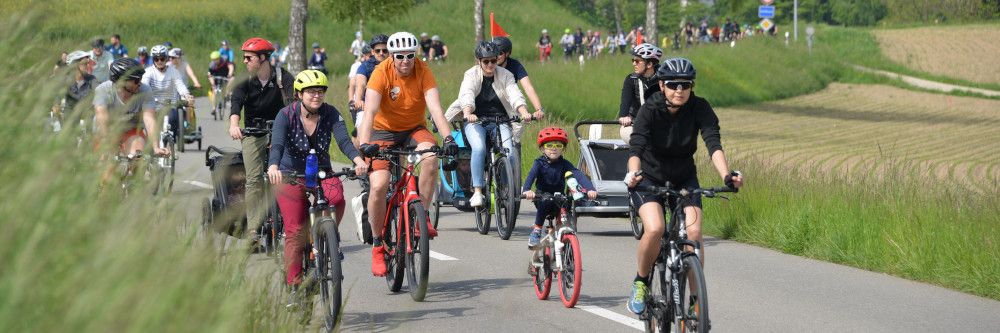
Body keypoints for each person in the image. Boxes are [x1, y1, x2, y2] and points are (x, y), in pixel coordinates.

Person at [624, 58, 744, 314]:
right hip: (650, 178)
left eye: (686, 85)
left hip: (684, 179)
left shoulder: (699, 107)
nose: (680, 90)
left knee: (694, 234)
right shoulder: (650, 109)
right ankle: (641, 281)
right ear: (662, 85)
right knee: (656, 228)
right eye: (673, 84)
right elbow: (636, 147)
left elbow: (713, 143)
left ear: (692, 87)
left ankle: (695, 299)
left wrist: (726, 176)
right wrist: (633, 173)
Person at [357, 31, 457, 277]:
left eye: (410, 56)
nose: (405, 60)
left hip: (414, 128)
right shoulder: (381, 72)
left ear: (416, 55)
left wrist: (449, 138)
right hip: (382, 132)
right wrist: (364, 145)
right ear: (391, 56)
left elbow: (435, 108)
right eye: (400, 56)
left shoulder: (423, 70)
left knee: (431, 159)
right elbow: (369, 113)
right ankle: (378, 245)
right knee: (379, 185)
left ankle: (420, 216)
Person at [266, 69, 367, 302]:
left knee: (337, 198)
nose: (316, 96)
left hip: (322, 172)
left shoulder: (330, 113)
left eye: (320, 91)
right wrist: (273, 167)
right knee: (294, 231)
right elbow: (278, 144)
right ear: (299, 94)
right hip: (290, 175)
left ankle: (327, 236)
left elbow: (343, 140)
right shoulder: (285, 115)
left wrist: (358, 159)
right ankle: (294, 286)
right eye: (311, 91)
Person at [444, 41, 534, 207]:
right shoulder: (471, 74)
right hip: (476, 120)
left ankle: (507, 188)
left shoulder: (505, 74)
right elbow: (467, 94)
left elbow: (515, 94)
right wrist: (467, 113)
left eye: (493, 60)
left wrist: (523, 113)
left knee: (510, 153)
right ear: (478, 61)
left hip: (500, 120)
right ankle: (477, 191)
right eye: (486, 61)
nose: (490, 64)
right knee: (479, 148)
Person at [229, 37, 295, 239]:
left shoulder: (283, 78)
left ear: (263, 58)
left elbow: (294, 105)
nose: (245, 61)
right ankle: (253, 229)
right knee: (254, 179)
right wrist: (234, 125)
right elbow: (236, 103)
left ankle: (292, 222)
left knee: (291, 176)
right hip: (253, 131)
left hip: (281, 130)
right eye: (244, 57)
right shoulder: (244, 80)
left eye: (249, 58)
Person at [521, 127, 597, 247]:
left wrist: (590, 189)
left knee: (566, 210)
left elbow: (579, 175)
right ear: (542, 148)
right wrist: (527, 190)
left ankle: (565, 242)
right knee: (546, 201)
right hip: (542, 198)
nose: (554, 148)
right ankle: (536, 230)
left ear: (563, 149)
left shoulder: (565, 164)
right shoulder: (538, 163)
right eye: (549, 145)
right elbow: (531, 176)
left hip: (559, 198)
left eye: (558, 145)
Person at [492, 36, 546, 189]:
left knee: (514, 144)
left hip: (510, 109)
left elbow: (528, 87)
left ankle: (513, 184)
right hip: (491, 108)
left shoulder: (515, 66)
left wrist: (538, 109)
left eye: (500, 53)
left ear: (507, 54)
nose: (496, 57)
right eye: (494, 52)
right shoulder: (489, 64)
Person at [93, 58, 168, 157]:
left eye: (141, 79)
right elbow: (102, 117)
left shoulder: (145, 90)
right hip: (107, 130)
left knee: (136, 156)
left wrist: (156, 147)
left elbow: (149, 118)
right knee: (106, 162)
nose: (140, 83)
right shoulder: (103, 90)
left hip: (131, 130)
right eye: (136, 80)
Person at [142, 45, 193, 141]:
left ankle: (170, 145)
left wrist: (187, 96)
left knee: (173, 119)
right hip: (153, 105)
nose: (160, 61)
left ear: (166, 58)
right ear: (153, 59)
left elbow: (180, 85)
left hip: (170, 105)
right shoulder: (148, 72)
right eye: (156, 59)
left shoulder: (173, 71)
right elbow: (144, 86)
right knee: (147, 125)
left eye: (162, 58)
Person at [618, 43, 663, 144]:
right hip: (636, 124)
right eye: (633, 60)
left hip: (660, 125)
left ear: (649, 64)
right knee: (628, 133)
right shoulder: (630, 80)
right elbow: (625, 104)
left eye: (637, 61)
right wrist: (624, 116)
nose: (634, 64)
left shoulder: (664, 80)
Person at [349, 33, 390, 139]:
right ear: (372, 52)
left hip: (390, 106)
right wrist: (358, 99)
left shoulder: (395, 65)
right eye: (377, 51)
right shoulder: (365, 66)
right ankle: (360, 153)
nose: (381, 53)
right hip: (367, 106)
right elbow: (360, 84)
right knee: (361, 133)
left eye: (385, 50)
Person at [57, 50, 97, 115]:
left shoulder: (92, 79)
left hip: (87, 114)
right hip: (70, 116)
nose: (88, 66)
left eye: (88, 63)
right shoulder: (65, 81)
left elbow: (98, 95)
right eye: (85, 63)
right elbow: (57, 100)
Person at [207, 51, 234, 116]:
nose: (215, 61)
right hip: (216, 77)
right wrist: (212, 83)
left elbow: (231, 66)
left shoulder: (225, 60)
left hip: (225, 76)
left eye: (216, 59)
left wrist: (230, 74)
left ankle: (227, 94)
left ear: (219, 58)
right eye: (213, 60)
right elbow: (209, 74)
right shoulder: (211, 65)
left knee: (232, 79)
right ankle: (214, 109)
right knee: (214, 91)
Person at [347, 44, 371, 110]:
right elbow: (352, 84)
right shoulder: (356, 66)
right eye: (370, 56)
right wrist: (351, 100)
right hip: (358, 100)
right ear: (364, 56)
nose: (373, 58)